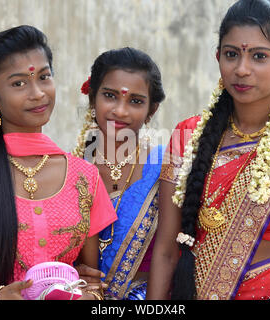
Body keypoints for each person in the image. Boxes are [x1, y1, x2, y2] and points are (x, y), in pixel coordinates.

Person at [147, 0, 270, 300]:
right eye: (231, 55)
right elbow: (166, 251)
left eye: (259, 56)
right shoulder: (187, 135)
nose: (242, 69)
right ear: (217, 57)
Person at [0, 25, 117, 300]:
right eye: (18, 83)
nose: (37, 93)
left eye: (44, 77)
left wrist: (91, 294)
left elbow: (89, 281)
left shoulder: (85, 178)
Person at [73, 47, 166, 299]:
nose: (121, 111)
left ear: (152, 110)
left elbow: (171, 253)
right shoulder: (68, 170)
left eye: (135, 101)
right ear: (93, 99)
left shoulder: (165, 165)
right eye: (110, 96)